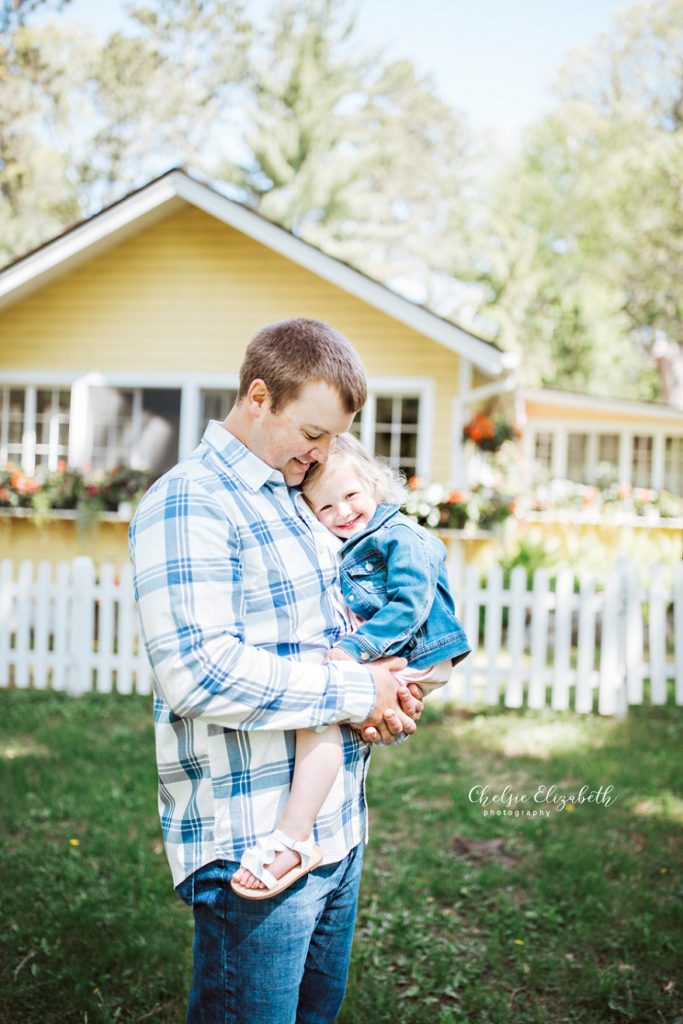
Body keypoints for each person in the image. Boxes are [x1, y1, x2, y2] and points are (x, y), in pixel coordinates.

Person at [129, 318, 425, 1024]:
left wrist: (387, 693)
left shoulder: (294, 498)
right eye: (313, 434)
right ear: (258, 397)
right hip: (251, 845)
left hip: (335, 832)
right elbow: (200, 672)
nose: (323, 455)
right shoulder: (190, 501)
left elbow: (329, 637)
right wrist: (359, 690)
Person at [231, 432, 471, 899]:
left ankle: (294, 836)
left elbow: (411, 605)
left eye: (351, 496)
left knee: (319, 710)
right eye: (325, 508)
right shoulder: (356, 538)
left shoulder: (402, 537)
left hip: (418, 649)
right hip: (398, 653)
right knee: (336, 712)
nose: (341, 513)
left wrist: (357, 649)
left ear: (375, 485)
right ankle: (310, 821)